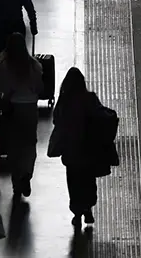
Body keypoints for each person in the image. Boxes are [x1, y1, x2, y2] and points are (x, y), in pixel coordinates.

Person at [51, 68, 106, 228]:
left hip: (71, 149)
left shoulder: (65, 100)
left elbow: (56, 119)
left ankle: (76, 212)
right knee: (88, 180)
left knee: (74, 181)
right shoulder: (90, 98)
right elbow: (101, 117)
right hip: (88, 148)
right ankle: (88, 208)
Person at [0, 32, 43, 198]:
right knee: (29, 143)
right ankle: (27, 173)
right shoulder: (34, 65)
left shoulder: (3, 67)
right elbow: (40, 88)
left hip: (11, 109)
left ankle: (16, 183)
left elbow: (0, 87)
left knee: (13, 146)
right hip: (30, 108)